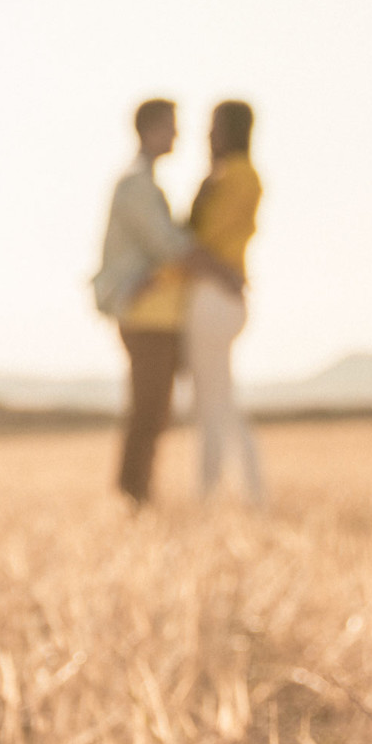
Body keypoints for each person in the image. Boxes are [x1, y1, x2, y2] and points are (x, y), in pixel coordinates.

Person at [91, 99, 240, 507]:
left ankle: (138, 495)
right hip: (145, 316)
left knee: (155, 409)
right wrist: (223, 272)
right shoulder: (135, 185)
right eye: (171, 126)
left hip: (158, 315)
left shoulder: (146, 184)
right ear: (151, 129)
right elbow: (171, 247)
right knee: (149, 408)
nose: (177, 134)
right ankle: (132, 496)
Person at [185, 100, 265, 505]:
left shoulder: (235, 176)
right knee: (218, 398)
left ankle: (220, 492)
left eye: (213, 125)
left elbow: (202, 243)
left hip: (214, 298)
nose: (206, 134)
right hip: (225, 296)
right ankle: (241, 491)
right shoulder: (240, 175)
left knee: (214, 402)